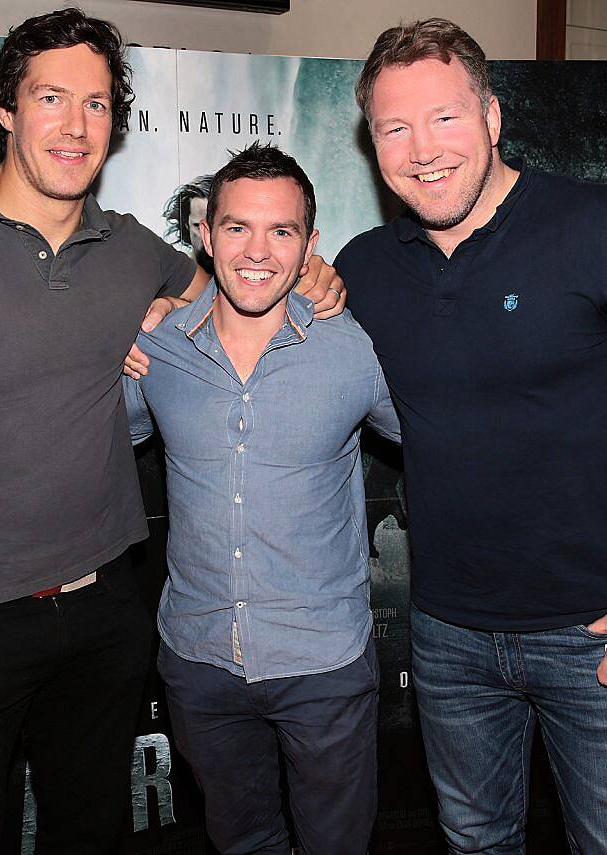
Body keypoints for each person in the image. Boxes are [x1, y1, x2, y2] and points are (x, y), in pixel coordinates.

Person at [0, 9, 343, 853]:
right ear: (6, 110)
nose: (76, 124)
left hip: (104, 617)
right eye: (52, 97)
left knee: (92, 834)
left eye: (96, 103)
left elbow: (247, 282)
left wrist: (312, 269)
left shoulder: (133, 252)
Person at [333, 18, 607, 855]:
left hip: (601, 637)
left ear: (492, 118)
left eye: (445, 118)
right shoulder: (365, 268)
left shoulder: (600, 225)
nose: (423, 148)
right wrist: (172, 303)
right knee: (475, 844)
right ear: (373, 141)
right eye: (395, 127)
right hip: (448, 639)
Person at [123, 142, 400, 855]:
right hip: (200, 658)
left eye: (282, 230)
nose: (257, 250)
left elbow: (447, 442)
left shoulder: (356, 347)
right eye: (238, 227)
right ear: (205, 235)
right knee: (242, 843)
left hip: (323, 662)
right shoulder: (157, 349)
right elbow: (96, 439)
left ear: (310, 242)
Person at [163, 173, 214, 274]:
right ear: (186, 224)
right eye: (199, 227)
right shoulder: (174, 276)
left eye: (214, 226)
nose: (208, 237)